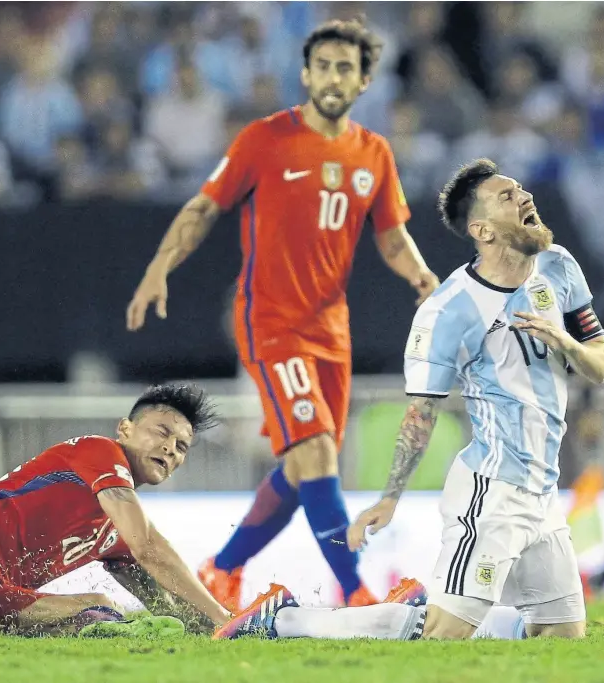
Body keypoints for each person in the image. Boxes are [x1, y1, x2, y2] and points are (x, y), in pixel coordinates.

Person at [213, 159, 604, 641]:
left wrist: (565, 343)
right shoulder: (449, 309)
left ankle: (416, 605)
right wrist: (390, 497)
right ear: (482, 229)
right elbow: (422, 413)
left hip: (543, 493)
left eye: (522, 190)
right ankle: (282, 617)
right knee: (441, 638)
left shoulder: (559, 266)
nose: (525, 198)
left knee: (561, 638)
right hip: (492, 490)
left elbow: (600, 361)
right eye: (507, 196)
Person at [126, 19, 440, 611]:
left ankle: (221, 569)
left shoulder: (373, 153)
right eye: (322, 65)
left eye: (345, 67)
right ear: (305, 72)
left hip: (332, 330)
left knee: (304, 468)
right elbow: (202, 208)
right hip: (270, 320)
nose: (332, 76)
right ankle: (355, 593)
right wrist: (158, 266)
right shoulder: (265, 139)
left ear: (364, 79)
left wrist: (421, 275)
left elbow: (393, 237)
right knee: (316, 450)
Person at [0, 384, 230, 635]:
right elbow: (148, 547)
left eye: (181, 446)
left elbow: (171, 608)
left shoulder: (115, 532)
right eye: (162, 432)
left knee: (101, 610)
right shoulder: (99, 451)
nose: (170, 448)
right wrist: (221, 614)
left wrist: (228, 627)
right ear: (125, 429)